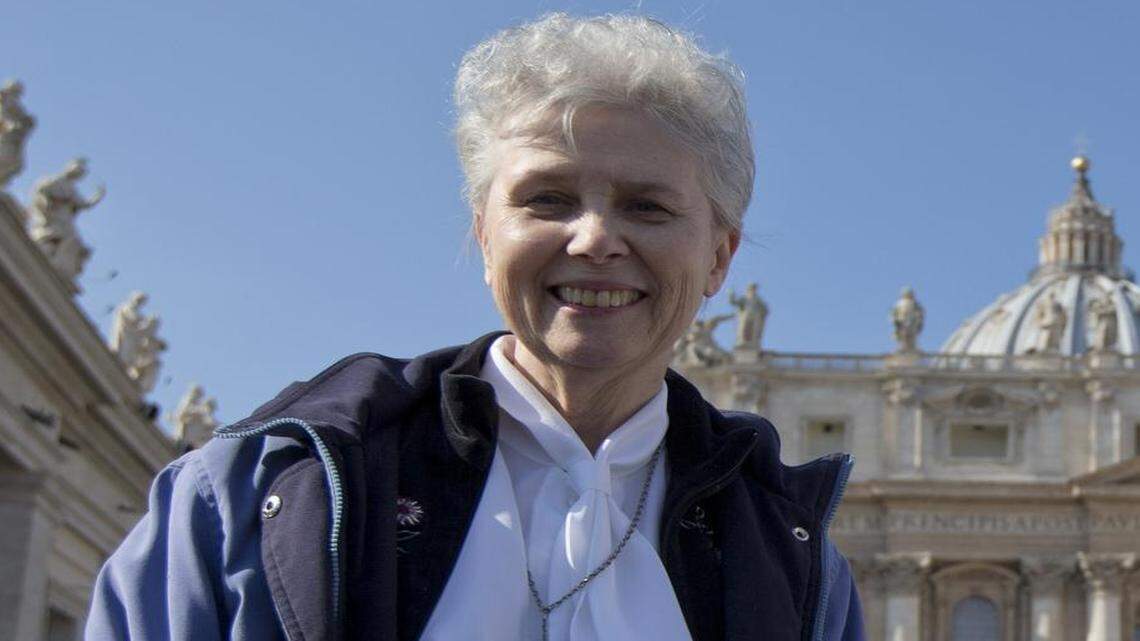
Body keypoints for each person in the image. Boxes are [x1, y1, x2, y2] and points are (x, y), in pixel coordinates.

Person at [86, 13, 863, 641]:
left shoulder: (799, 566)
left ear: (720, 257)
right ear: (485, 234)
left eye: (647, 206)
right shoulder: (254, 495)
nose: (594, 239)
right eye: (548, 200)